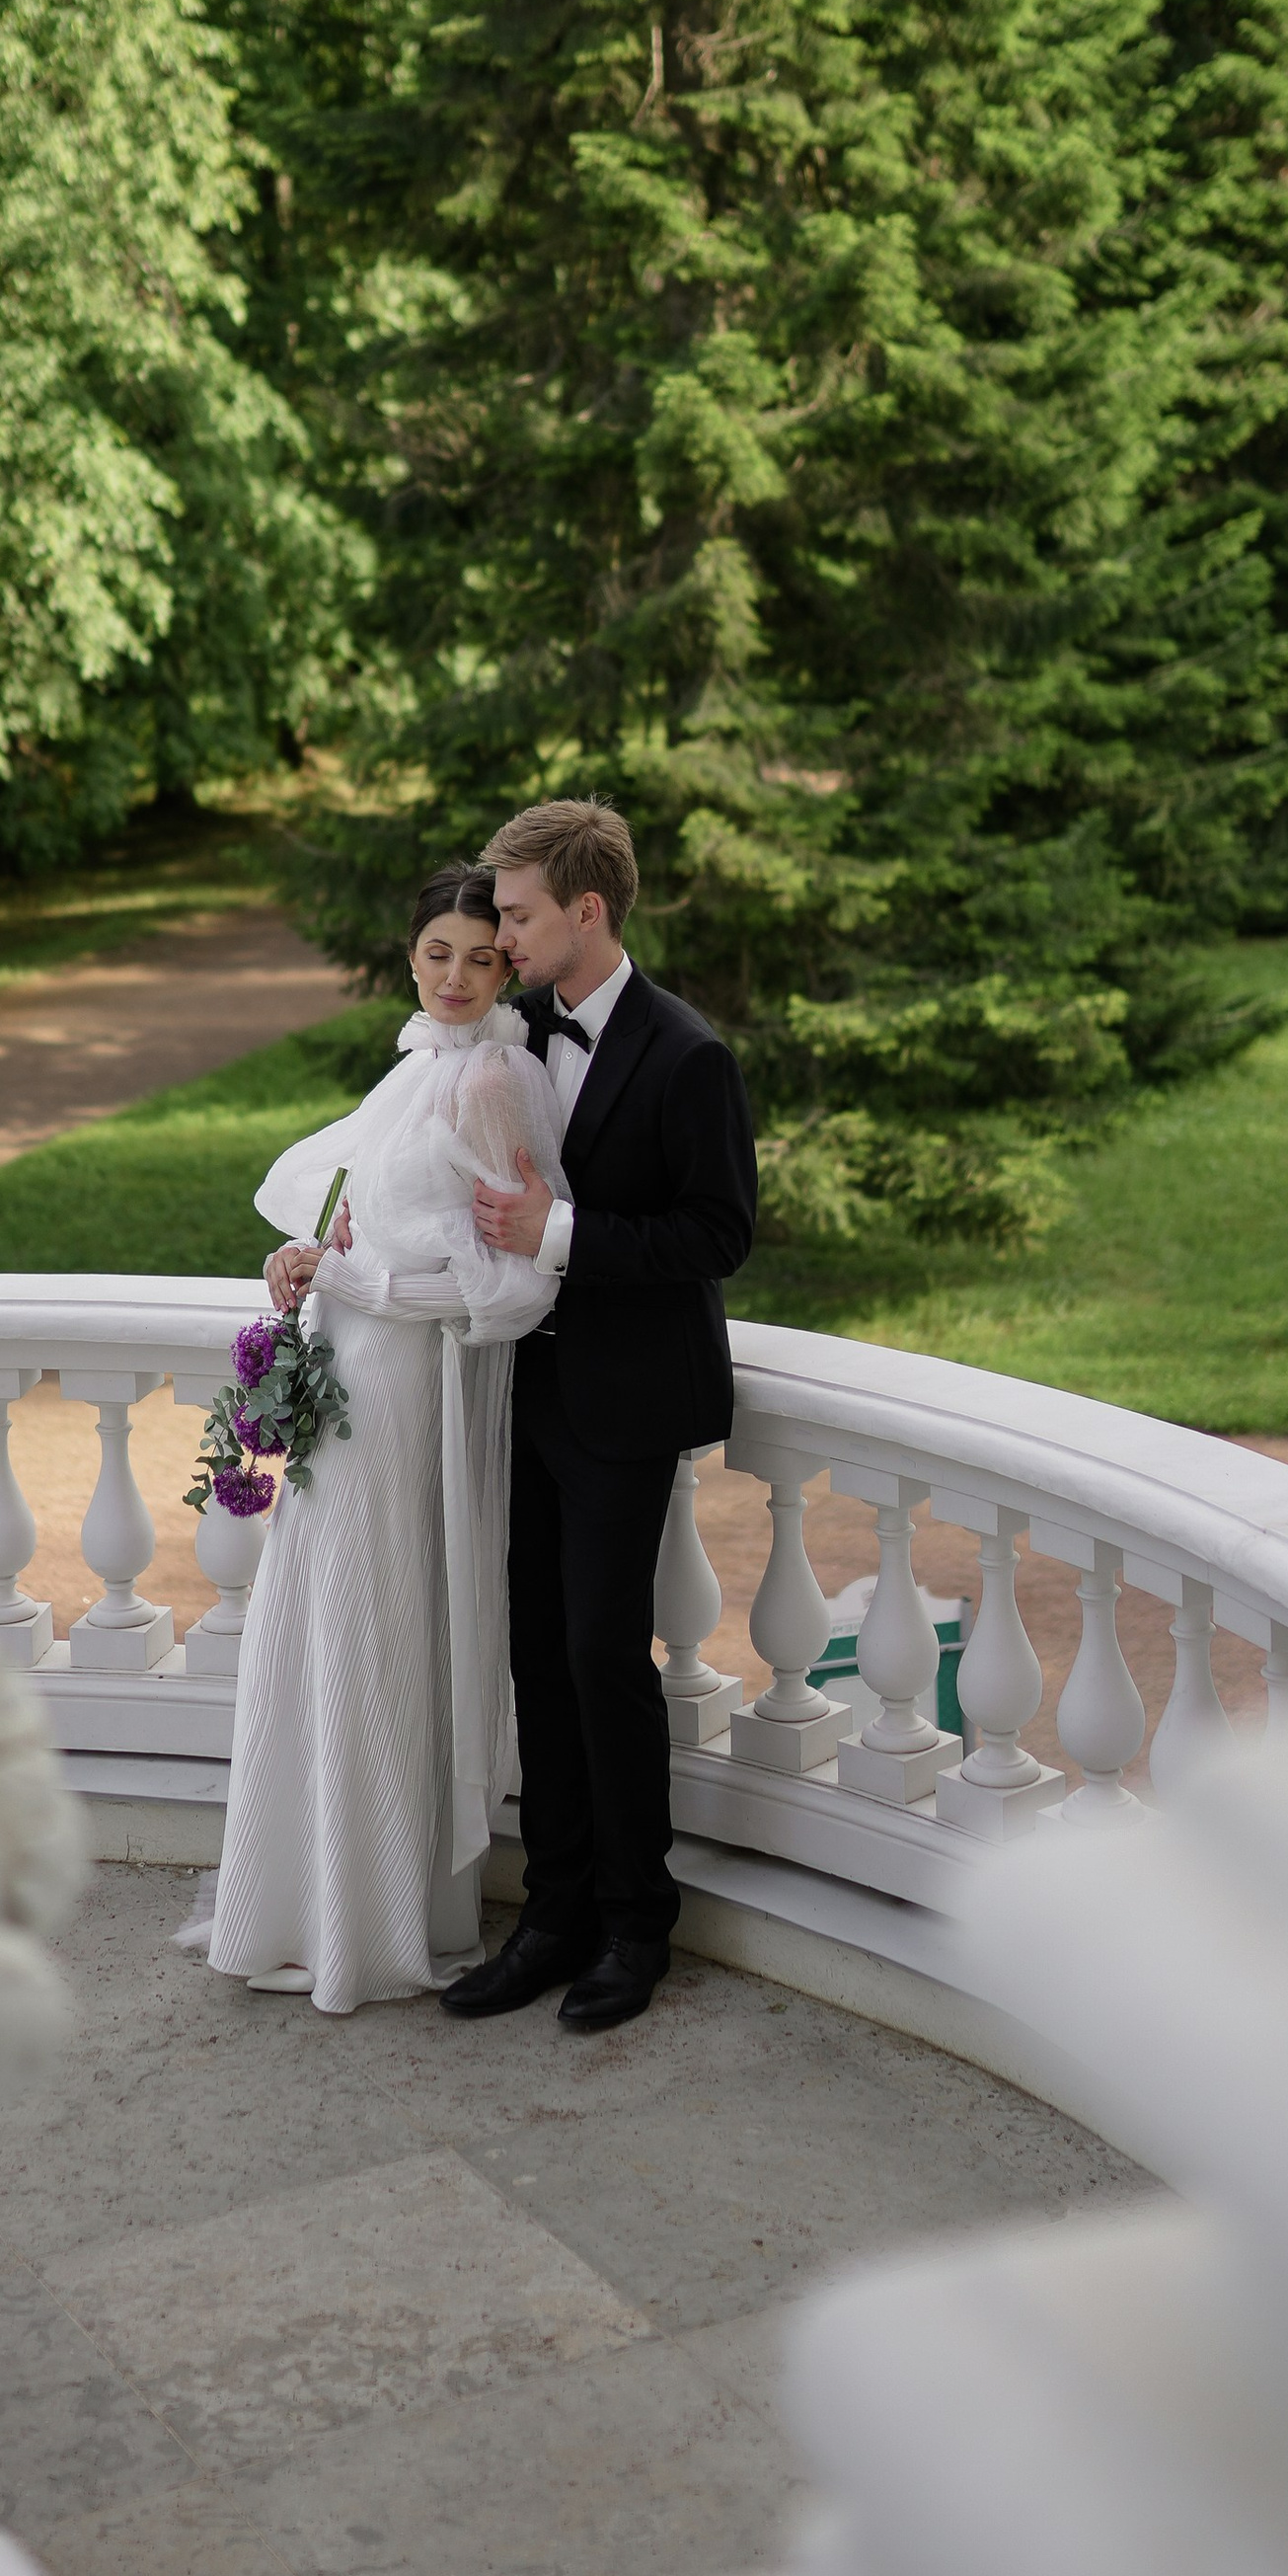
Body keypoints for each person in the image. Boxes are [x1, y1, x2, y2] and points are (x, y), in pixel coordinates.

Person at [204, 865, 564, 2012]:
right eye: (436, 953)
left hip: (409, 1397)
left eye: (480, 957)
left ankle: (375, 1920)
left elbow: (513, 1288)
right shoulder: (414, 1069)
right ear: (409, 956)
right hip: (349, 1383)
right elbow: (364, 1222)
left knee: (376, 1627)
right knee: (317, 1622)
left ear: (505, 968)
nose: (454, 977)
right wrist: (302, 1261)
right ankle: (303, 1902)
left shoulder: (495, 1080)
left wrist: (356, 1280)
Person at [443, 798, 758, 2036]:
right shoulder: (509, 1031)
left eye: (519, 917)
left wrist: (559, 1234)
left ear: (588, 910)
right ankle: (553, 1913)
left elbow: (717, 1233)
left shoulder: (687, 1055)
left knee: (599, 1660)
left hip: (625, 1405)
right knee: (534, 1651)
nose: (501, 938)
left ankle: (637, 1925)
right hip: (520, 1392)